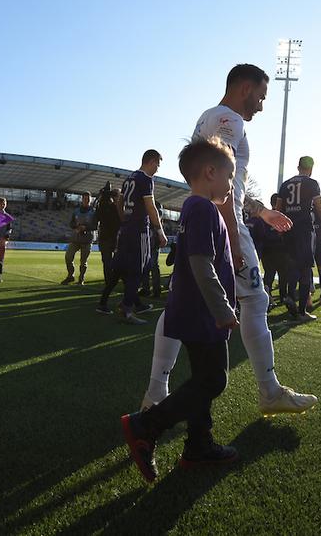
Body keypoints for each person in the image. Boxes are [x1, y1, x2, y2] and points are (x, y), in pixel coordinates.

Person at [142, 63, 317, 416]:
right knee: (255, 299)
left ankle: (155, 395)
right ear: (245, 88)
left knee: (180, 303)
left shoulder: (209, 117)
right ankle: (269, 391)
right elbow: (219, 181)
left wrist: (260, 211)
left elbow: (224, 183)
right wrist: (233, 242)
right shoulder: (229, 121)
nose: (261, 106)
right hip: (223, 225)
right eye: (261, 96)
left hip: (209, 220)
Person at [121, 136, 240, 482]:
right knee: (214, 379)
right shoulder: (203, 209)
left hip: (192, 310)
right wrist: (221, 309)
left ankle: (199, 445)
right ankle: (146, 425)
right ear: (209, 172)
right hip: (204, 313)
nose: (232, 185)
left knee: (203, 379)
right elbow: (202, 265)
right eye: (229, 177)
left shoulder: (196, 208)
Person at [105, 150, 167, 324]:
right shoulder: (146, 179)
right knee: (140, 268)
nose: (158, 169)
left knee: (123, 266)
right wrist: (160, 231)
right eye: (158, 164)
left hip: (126, 229)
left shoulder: (129, 178)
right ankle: (126, 308)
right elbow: (151, 207)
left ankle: (124, 303)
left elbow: (120, 202)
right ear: (152, 161)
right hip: (140, 230)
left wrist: (123, 218)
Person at [280, 156, 321, 321]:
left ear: (298, 167)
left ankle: (290, 295)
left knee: (292, 266)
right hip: (304, 229)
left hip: (288, 229)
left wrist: (280, 230)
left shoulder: (285, 184)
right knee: (305, 269)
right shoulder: (312, 184)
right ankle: (302, 311)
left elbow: (278, 208)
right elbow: (320, 208)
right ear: (311, 169)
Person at [95, 183, 121, 308]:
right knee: (107, 263)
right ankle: (108, 286)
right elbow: (100, 211)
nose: (118, 198)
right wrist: (104, 196)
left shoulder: (121, 208)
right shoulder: (107, 207)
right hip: (106, 239)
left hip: (117, 240)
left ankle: (110, 287)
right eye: (116, 195)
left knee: (116, 265)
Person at [62, 192, 97, 285]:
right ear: (82, 199)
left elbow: (96, 226)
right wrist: (76, 226)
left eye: (88, 199)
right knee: (68, 257)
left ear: (91, 200)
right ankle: (70, 276)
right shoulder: (76, 211)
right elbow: (71, 223)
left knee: (83, 261)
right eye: (85, 199)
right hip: (75, 239)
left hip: (87, 240)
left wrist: (85, 228)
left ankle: (81, 279)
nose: (86, 201)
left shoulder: (94, 212)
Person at [140, 200, 164, 298]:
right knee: (147, 267)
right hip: (148, 243)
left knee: (152, 267)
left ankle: (155, 290)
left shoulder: (156, 211)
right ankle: (147, 289)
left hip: (153, 244)